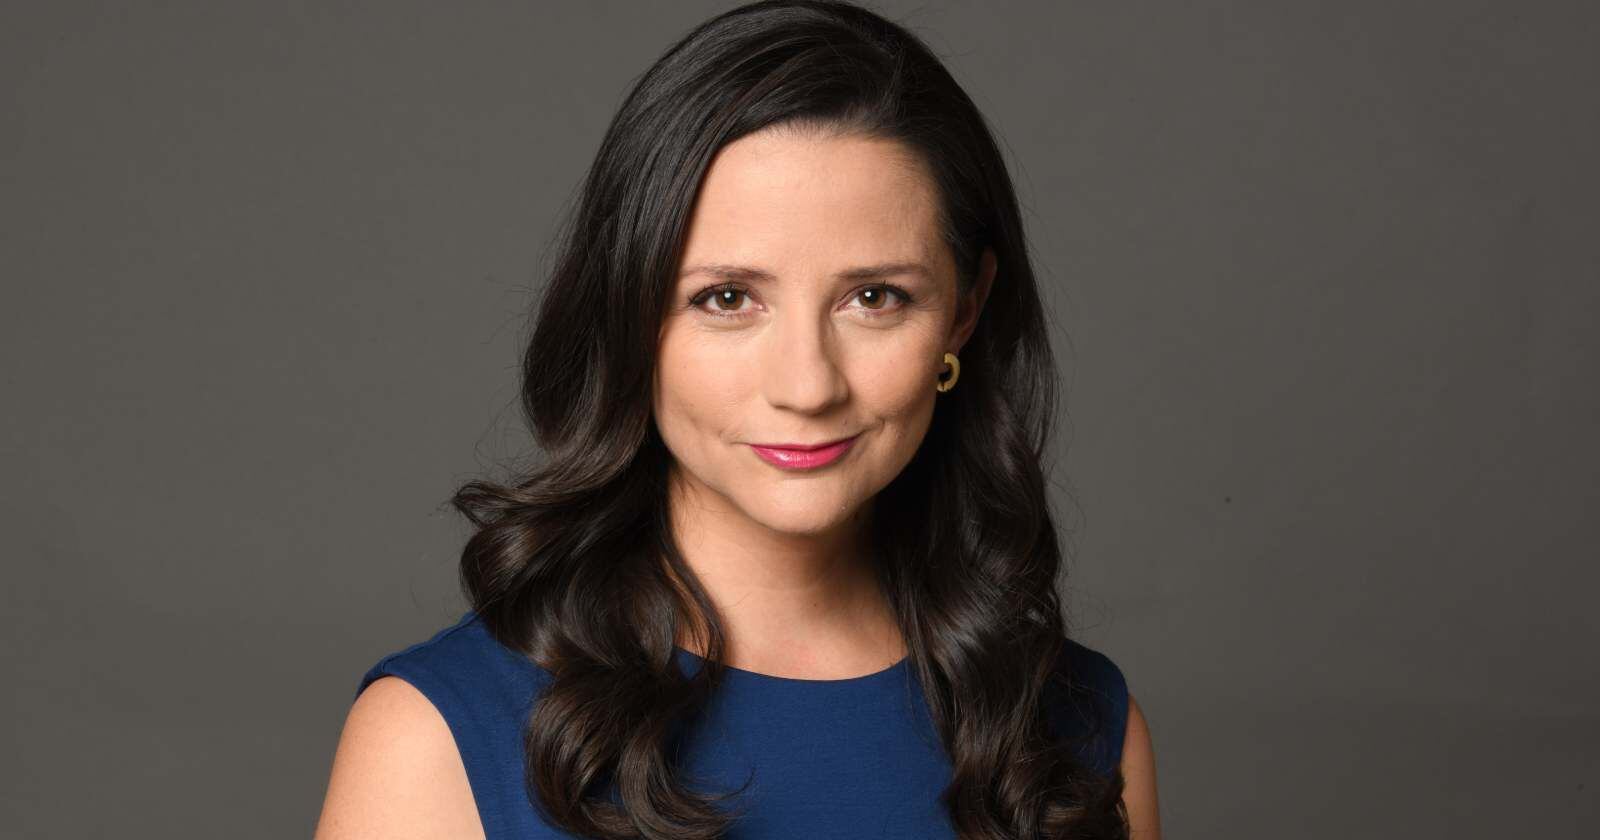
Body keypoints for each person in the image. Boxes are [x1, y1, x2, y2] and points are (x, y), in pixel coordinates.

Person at [314, 1, 1160, 838]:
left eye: (875, 297)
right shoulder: (436, 739)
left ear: (964, 312)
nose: (807, 386)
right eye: (726, 298)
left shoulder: (1077, 731)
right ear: (629, 313)